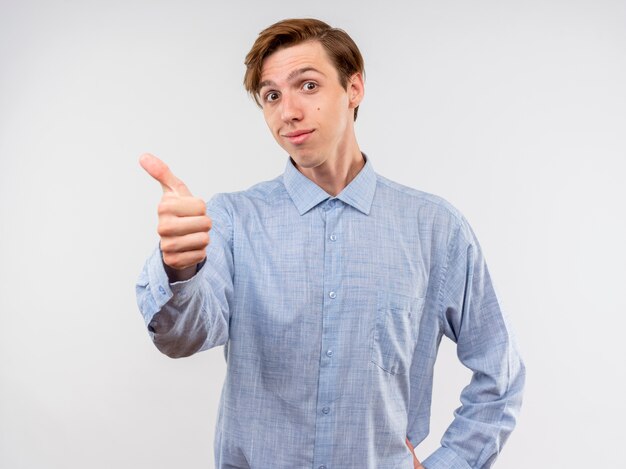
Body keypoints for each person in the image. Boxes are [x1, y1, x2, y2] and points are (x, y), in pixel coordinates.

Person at [136, 18, 525, 469]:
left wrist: (451, 463)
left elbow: (501, 372)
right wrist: (179, 268)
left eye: (308, 85)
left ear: (354, 88)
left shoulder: (435, 228)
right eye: (272, 96)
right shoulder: (232, 220)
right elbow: (181, 338)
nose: (288, 112)